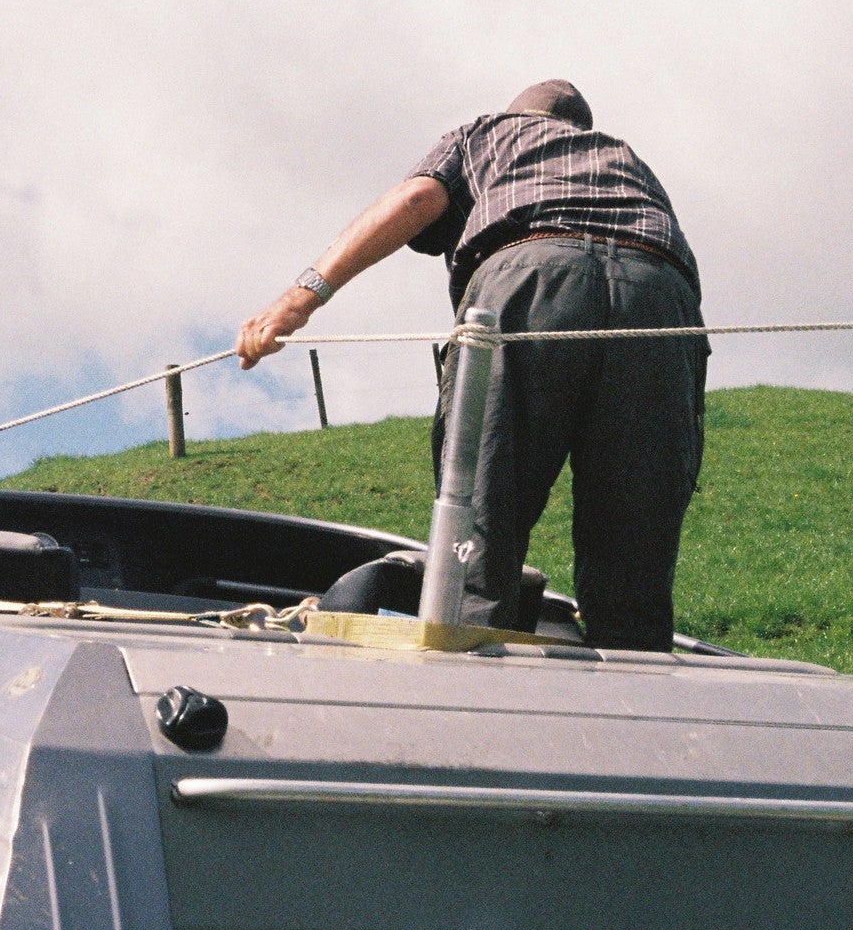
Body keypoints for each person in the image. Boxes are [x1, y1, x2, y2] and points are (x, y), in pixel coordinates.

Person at [235, 80, 707, 650]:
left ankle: (473, 664)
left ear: (517, 114)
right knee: (637, 538)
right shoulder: (625, 156)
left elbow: (416, 202)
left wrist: (298, 299)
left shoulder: (483, 132)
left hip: (532, 278)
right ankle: (638, 680)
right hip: (660, 302)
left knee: (484, 514)